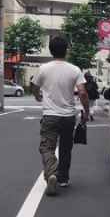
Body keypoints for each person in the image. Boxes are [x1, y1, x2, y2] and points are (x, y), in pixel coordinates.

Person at [31, 36, 90, 196]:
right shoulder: (74, 69)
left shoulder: (44, 69)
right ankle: (63, 178)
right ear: (66, 49)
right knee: (65, 148)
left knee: (47, 147)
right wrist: (87, 111)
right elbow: (83, 92)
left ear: (51, 50)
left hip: (50, 115)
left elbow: (35, 87)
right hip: (68, 116)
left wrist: (38, 96)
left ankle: (51, 173)